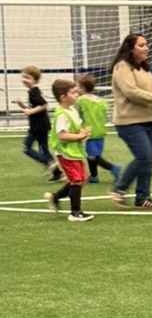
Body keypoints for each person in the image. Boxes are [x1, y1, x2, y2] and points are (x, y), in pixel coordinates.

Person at [109, 33, 152, 209]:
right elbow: (131, 92)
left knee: (148, 160)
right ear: (131, 48)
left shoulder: (144, 68)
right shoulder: (122, 67)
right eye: (141, 45)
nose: (146, 48)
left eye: (146, 44)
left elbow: (151, 91)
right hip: (129, 121)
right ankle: (119, 189)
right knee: (143, 157)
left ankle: (143, 197)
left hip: (149, 120)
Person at [43, 78, 94, 222]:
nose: (77, 94)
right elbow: (62, 135)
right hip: (65, 153)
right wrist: (79, 136)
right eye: (73, 92)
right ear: (63, 97)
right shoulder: (61, 114)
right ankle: (75, 212)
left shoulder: (72, 110)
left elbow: (73, 131)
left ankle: (55, 197)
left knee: (81, 179)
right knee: (76, 180)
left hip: (74, 151)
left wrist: (82, 133)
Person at [13, 65, 62, 181]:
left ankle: (47, 163)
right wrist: (22, 106)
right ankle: (58, 174)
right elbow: (35, 108)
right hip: (42, 125)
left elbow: (44, 105)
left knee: (26, 148)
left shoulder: (34, 92)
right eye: (23, 77)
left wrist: (30, 111)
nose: (24, 80)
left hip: (38, 126)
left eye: (27, 77)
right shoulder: (34, 91)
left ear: (34, 80)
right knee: (44, 149)